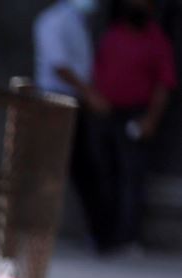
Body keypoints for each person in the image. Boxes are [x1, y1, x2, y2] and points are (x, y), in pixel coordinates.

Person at [92, 0, 177, 252]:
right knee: (105, 175)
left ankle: (128, 239)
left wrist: (150, 119)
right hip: (107, 114)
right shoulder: (113, 34)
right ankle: (104, 237)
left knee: (132, 178)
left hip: (136, 117)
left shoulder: (156, 40)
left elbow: (165, 84)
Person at [34, 0, 115, 250]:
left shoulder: (77, 23)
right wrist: (89, 94)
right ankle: (34, 230)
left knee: (85, 169)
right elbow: (59, 65)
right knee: (49, 169)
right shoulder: (53, 21)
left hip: (74, 102)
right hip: (55, 101)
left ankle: (100, 235)